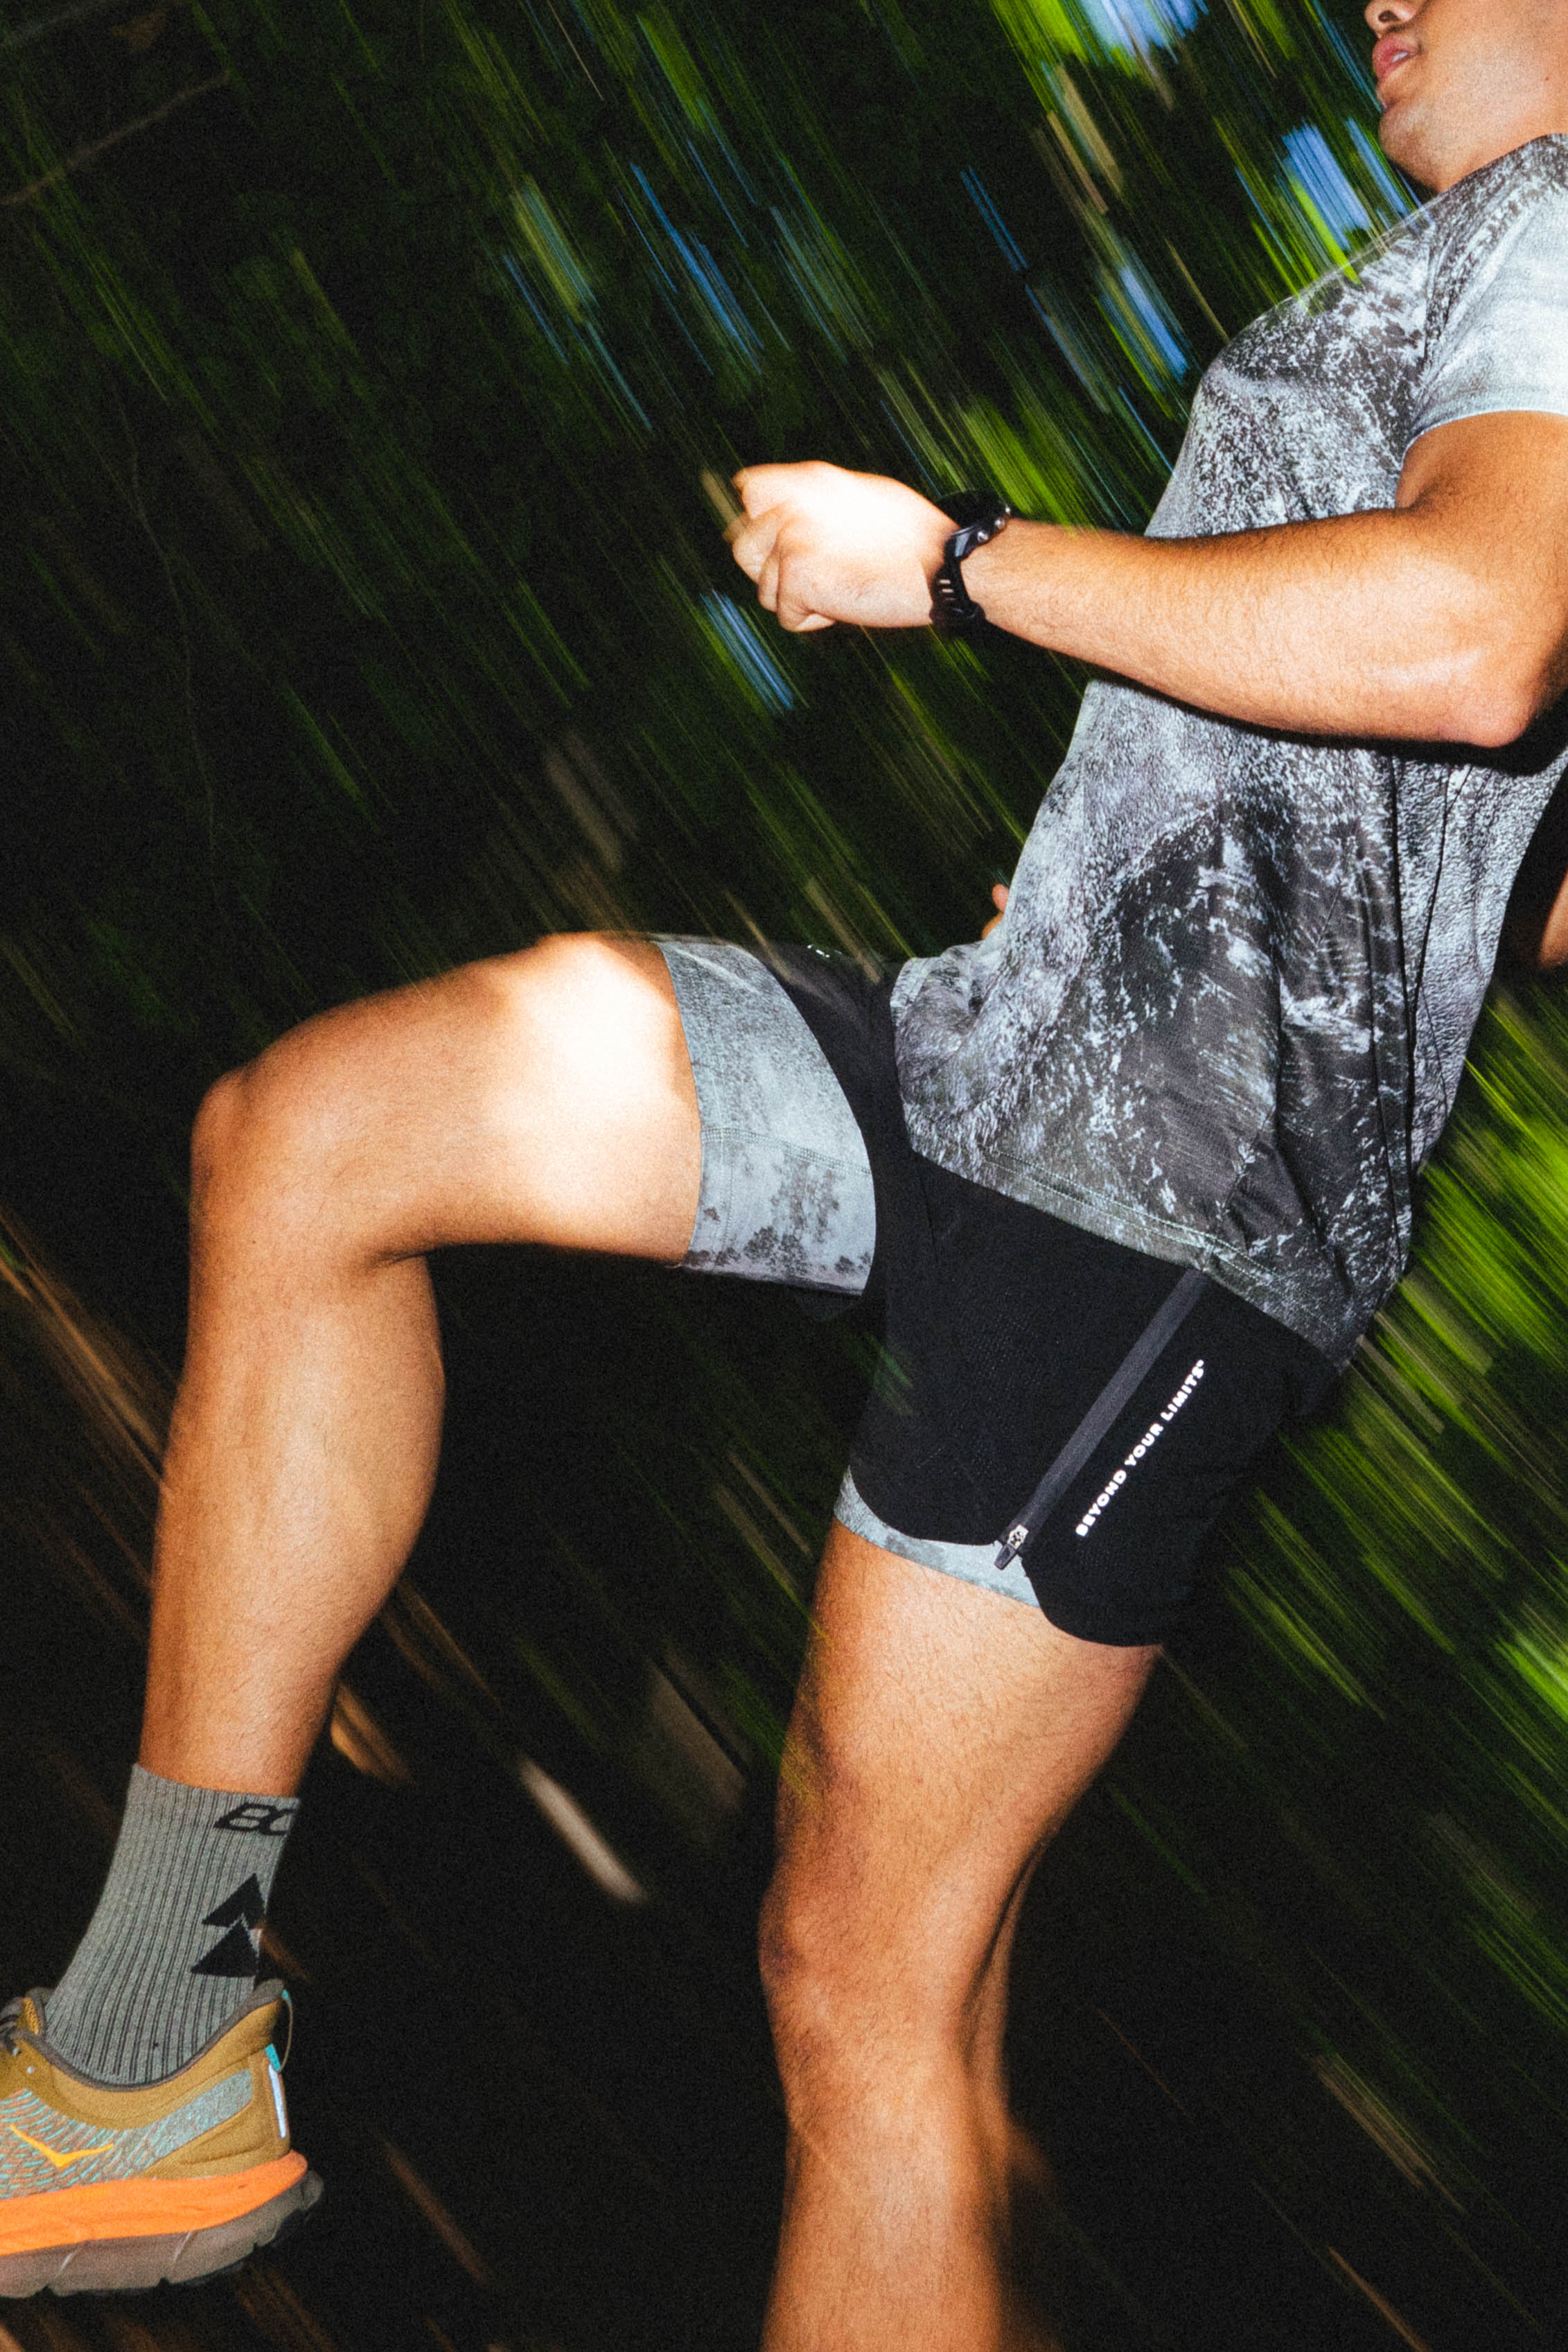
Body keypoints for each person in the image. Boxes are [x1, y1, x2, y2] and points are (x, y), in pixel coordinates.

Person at [5, 0, 1568, 2339]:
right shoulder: (1471, 270)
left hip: (1169, 1200)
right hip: (992, 1052)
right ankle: (148, 2051)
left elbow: (1476, 636)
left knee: (866, 1985)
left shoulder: (1560, 229)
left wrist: (955, 559)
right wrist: (1231, 872)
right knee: (315, 1137)